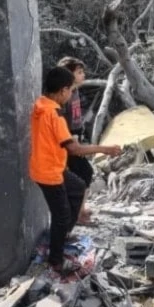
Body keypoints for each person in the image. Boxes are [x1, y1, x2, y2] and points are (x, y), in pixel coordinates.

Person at [30, 66, 122, 275]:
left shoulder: (40, 105)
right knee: (61, 215)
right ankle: (56, 260)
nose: (71, 94)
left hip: (48, 167)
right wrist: (104, 149)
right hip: (49, 173)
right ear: (62, 91)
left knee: (79, 186)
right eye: (70, 90)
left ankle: (62, 235)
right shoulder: (55, 116)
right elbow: (75, 149)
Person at [58, 56, 94, 224]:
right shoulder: (64, 96)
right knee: (84, 173)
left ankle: (80, 210)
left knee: (83, 174)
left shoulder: (75, 92)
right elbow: (62, 120)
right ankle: (77, 213)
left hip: (75, 137)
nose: (83, 75)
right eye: (79, 72)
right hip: (67, 140)